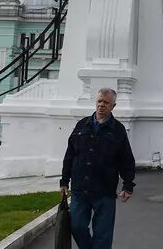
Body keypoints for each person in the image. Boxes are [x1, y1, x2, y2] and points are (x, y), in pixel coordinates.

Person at [60, 88, 135, 249]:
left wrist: (128, 185)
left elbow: (126, 160)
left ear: (113, 106)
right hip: (81, 188)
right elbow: (70, 155)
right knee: (77, 226)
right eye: (99, 101)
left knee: (103, 235)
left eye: (106, 102)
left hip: (104, 190)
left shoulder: (118, 130)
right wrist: (64, 181)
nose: (101, 105)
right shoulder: (82, 125)